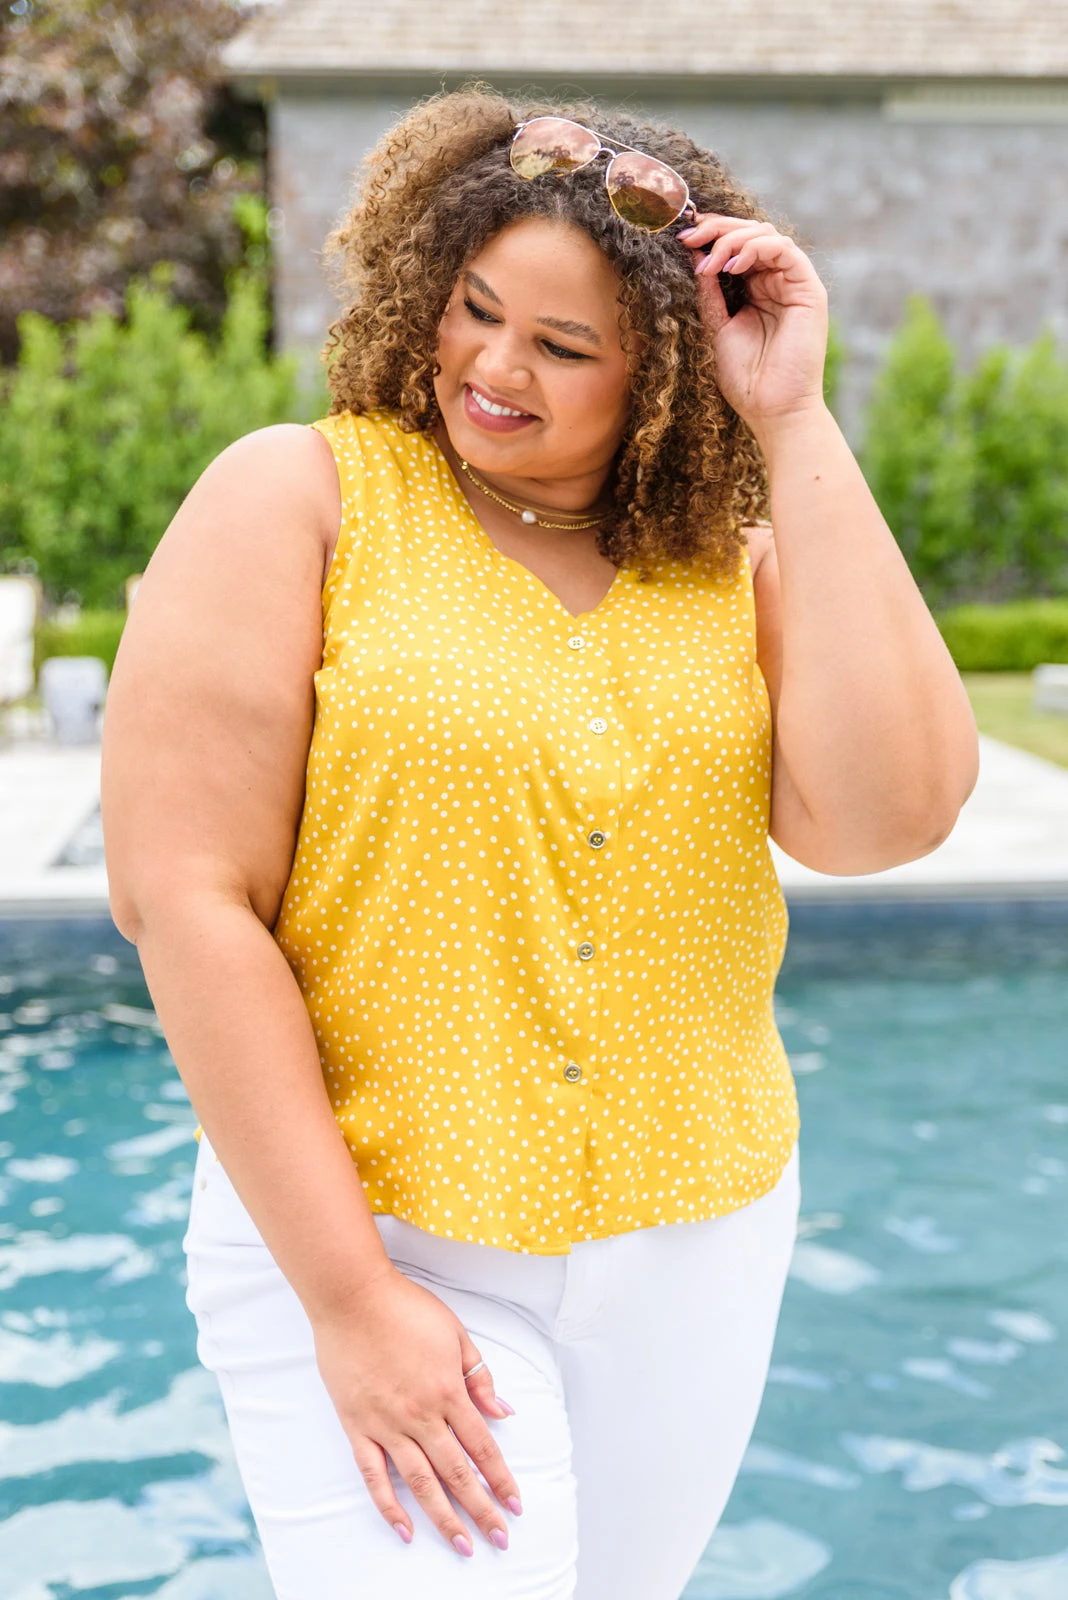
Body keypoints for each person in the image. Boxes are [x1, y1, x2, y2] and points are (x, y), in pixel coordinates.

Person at [101, 87, 980, 1600]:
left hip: (697, 1245)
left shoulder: (732, 569)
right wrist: (350, 1299)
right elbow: (185, 901)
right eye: (476, 309)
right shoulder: (300, 498)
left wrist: (792, 417)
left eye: (565, 347)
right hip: (375, 1233)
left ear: (663, 372)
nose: (496, 368)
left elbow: (889, 817)